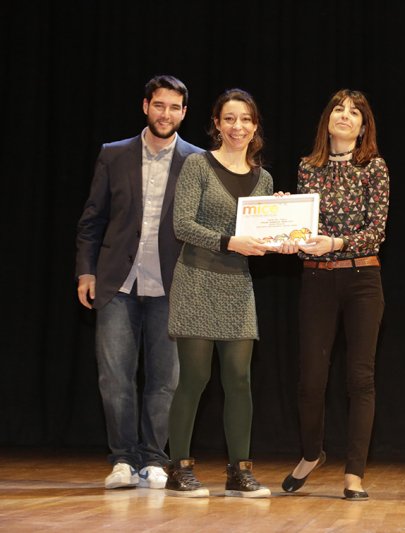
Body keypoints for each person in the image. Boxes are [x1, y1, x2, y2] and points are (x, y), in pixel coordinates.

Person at [75, 75, 202, 490]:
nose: (166, 114)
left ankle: (154, 460)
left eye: (174, 108)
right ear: (146, 106)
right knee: (115, 377)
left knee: (166, 380)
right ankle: (123, 459)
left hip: (173, 285)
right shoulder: (114, 155)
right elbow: (92, 220)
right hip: (117, 283)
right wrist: (86, 270)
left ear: (184, 112)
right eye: (159, 105)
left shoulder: (198, 161)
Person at [279, 89, 390, 501]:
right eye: (339, 109)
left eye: (355, 112)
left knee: (360, 378)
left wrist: (336, 244)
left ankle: (354, 474)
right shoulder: (308, 167)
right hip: (317, 278)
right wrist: (284, 219)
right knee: (311, 378)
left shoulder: (374, 168)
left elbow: (376, 233)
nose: (345, 116)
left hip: (362, 280)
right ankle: (311, 455)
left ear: (363, 126)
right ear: (327, 120)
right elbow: (306, 230)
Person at [165, 88, 273, 498]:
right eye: (229, 118)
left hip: (237, 286)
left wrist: (279, 225)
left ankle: (239, 471)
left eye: (245, 119)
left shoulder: (263, 178)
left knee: (240, 379)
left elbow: (260, 239)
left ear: (255, 125)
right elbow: (183, 225)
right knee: (194, 377)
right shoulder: (197, 165)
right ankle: (179, 468)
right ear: (216, 123)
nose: (237, 126)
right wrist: (230, 241)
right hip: (196, 280)